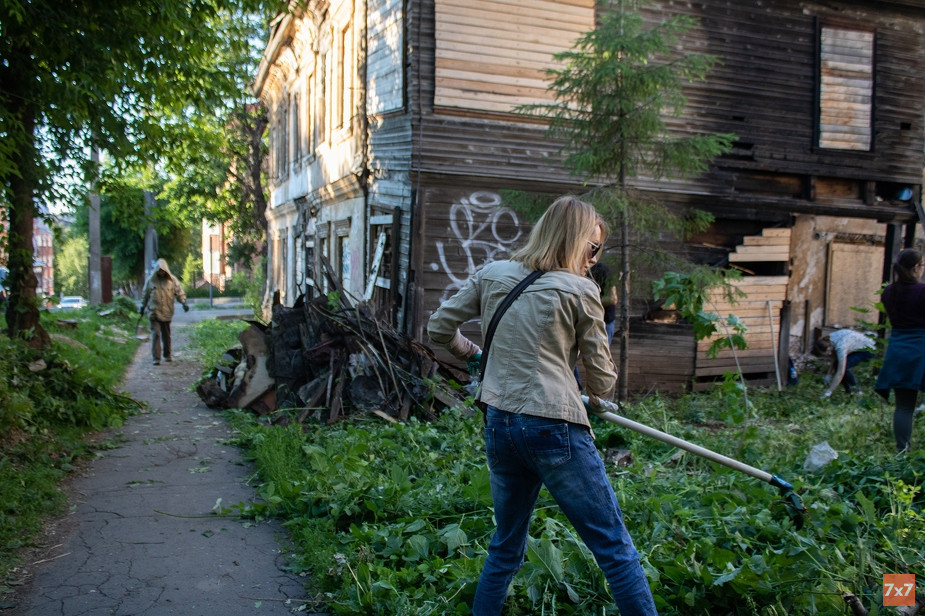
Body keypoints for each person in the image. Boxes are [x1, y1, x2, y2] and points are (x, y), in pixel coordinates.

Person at [427, 196, 658, 616]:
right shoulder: (581, 290)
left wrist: (472, 353)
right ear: (574, 241)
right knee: (615, 549)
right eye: (593, 247)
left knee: (505, 548)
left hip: (500, 425)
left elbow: (439, 328)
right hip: (555, 428)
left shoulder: (492, 274)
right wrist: (598, 396)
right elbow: (602, 379)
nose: (594, 258)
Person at [875, 248, 925, 452]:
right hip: (922, 349)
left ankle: (902, 450)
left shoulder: (889, 292)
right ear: (916, 267)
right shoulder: (922, 291)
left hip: (898, 350)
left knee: (904, 406)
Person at [141, 258, 189, 366]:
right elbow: (145, 295)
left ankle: (167, 355)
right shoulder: (151, 281)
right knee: (156, 334)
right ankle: (156, 358)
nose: (161, 273)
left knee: (166, 335)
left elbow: (179, 293)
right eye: (159, 271)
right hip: (154, 312)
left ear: (166, 270)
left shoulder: (172, 281)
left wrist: (184, 303)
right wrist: (142, 307)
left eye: (163, 271)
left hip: (167, 312)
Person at [816, 328, 876, 399]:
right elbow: (834, 358)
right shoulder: (830, 338)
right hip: (858, 346)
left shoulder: (840, 347)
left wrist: (829, 392)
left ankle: (857, 391)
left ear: (829, 347)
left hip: (868, 350)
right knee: (837, 364)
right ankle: (849, 391)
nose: (829, 354)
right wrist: (828, 374)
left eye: (828, 352)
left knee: (845, 367)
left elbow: (840, 372)